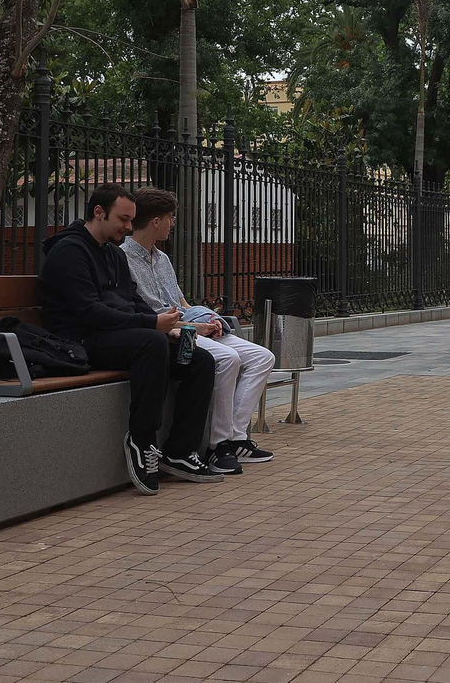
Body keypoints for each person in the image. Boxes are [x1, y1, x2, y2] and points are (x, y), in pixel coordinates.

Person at [38, 183, 220, 495]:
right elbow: (89, 313)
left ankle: (179, 451)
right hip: (79, 342)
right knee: (153, 343)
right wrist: (153, 324)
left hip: (116, 336)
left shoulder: (112, 254)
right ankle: (141, 439)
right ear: (98, 212)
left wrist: (168, 326)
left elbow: (131, 301)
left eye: (131, 220)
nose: (128, 226)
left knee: (198, 359)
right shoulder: (69, 252)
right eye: (123, 219)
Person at [124, 187, 277, 475]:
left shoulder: (162, 259)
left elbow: (181, 302)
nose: (173, 224)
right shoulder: (124, 259)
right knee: (228, 358)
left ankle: (236, 437)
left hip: (193, 325)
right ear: (156, 221)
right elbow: (147, 315)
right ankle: (219, 447)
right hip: (170, 333)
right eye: (170, 217)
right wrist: (194, 326)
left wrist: (207, 318)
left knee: (262, 357)